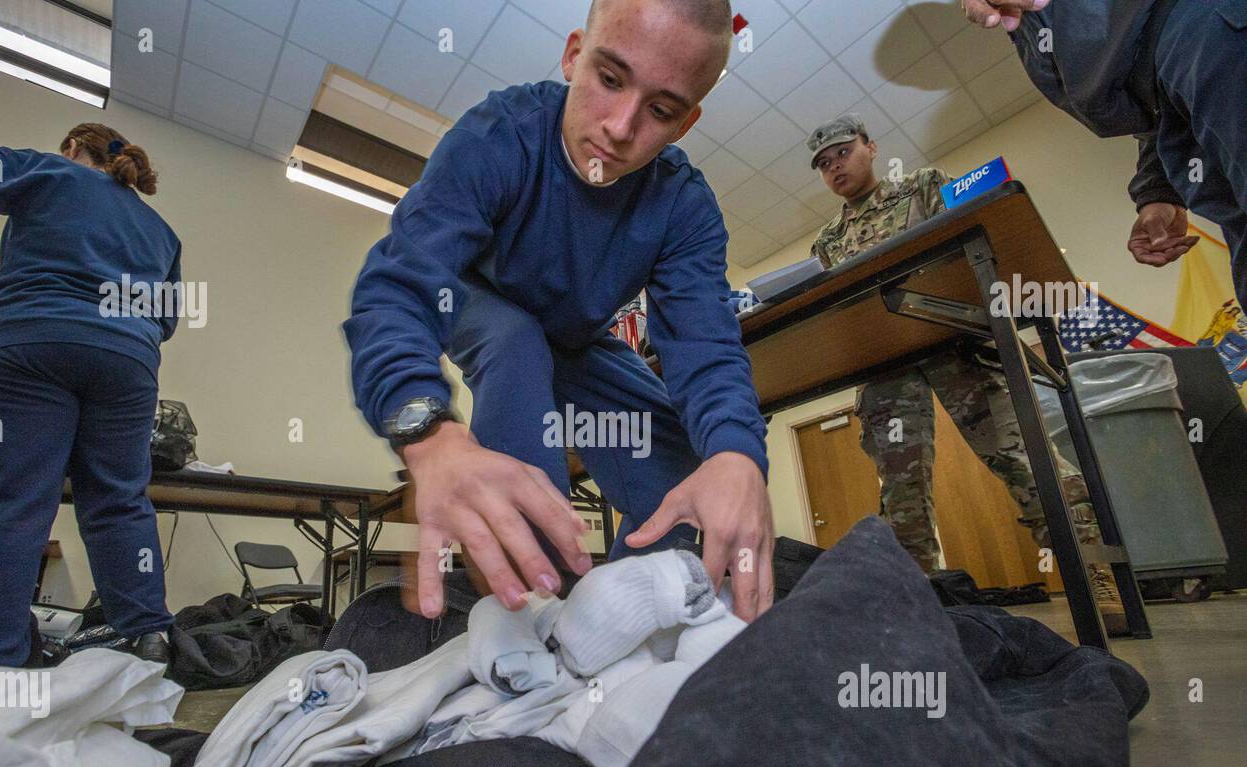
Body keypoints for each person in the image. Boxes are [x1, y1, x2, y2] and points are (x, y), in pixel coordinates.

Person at [346, 0, 774, 623]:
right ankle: (532, 611)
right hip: (480, 300)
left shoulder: (683, 206)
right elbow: (400, 285)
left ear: (685, 124)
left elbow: (707, 350)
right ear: (574, 55)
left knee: (682, 463)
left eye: (660, 111)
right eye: (608, 79)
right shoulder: (498, 135)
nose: (620, 127)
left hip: (577, 337)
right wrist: (427, 434)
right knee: (516, 342)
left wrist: (738, 456)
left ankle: (631, 618)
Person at [806, 115, 1126, 632]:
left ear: (869, 146)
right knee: (901, 488)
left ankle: (1094, 575)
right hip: (887, 366)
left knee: (1022, 456)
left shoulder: (923, 186)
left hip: (953, 342)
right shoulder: (827, 240)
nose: (833, 166)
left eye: (841, 152)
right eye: (823, 164)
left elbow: (972, 248)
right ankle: (917, 604)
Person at [0, 124, 180, 668]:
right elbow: (166, 321)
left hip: (32, 340)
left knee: (14, 498)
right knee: (120, 500)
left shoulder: (48, 171)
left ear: (74, 148)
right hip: (128, 361)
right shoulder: (162, 232)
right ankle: (148, 637)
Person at [963, 0, 1246, 308]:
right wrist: (1157, 191)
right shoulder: (1030, 33)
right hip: (1169, 85)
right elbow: (1157, 102)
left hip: (1203, 33)